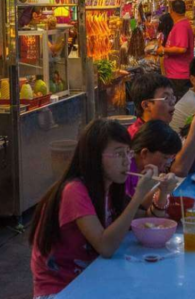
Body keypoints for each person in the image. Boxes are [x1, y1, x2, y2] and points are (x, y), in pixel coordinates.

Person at [29, 119, 165, 297]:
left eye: (128, 152)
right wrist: (139, 195)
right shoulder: (74, 190)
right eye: (118, 154)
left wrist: (162, 193)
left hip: (93, 277)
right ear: (95, 157)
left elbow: (147, 220)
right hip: (61, 290)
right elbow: (106, 247)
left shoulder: (110, 187)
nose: (126, 161)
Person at [127, 120, 182, 202]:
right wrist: (161, 189)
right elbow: (136, 211)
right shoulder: (126, 173)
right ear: (144, 153)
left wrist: (162, 189)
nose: (168, 163)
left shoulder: (141, 171)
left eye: (171, 158)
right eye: (165, 157)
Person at [158, 0, 194, 99]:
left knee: (178, 104)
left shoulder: (181, 26)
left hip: (179, 74)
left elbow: (182, 49)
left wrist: (163, 50)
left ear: (171, 10)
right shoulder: (181, 24)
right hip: (177, 73)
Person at [127, 73, 175, 138]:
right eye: (166, 98)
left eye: (172, 97)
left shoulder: (160, 128)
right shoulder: (139, 136)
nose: (172, 102)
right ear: (146, 105)